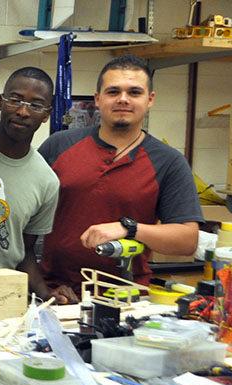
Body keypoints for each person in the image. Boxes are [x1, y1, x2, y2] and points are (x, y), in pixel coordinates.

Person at [38, 55, 202, 299]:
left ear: (150, 99)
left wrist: (130, 229)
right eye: (113, 91)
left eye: (134, 92)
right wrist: (40, 288)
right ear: (98, 99)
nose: (123, 99)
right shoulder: (59, 146)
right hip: (55, 291)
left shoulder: (168, 161)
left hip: (127, 296)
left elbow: (187, 240)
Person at [0, 67, 60, 302]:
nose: (23, 111)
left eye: (36, 105)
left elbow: (24, 252)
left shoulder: (47, 181)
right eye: (15, 100)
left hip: (2, 294)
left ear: (47, 114)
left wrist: (47, 294)